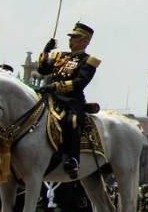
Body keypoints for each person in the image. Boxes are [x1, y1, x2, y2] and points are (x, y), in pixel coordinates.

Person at [38, 22, 101, 179]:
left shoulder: (88, 61)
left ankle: (73, 159)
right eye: (71, 37)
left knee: (72, 121)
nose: (71, 40)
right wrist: (46, 51)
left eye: (75, 37)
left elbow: (80, 82)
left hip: (71, 101)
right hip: (50, 98)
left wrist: (56, 86)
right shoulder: (61, 56)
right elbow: (43, 69)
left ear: (85, 41)